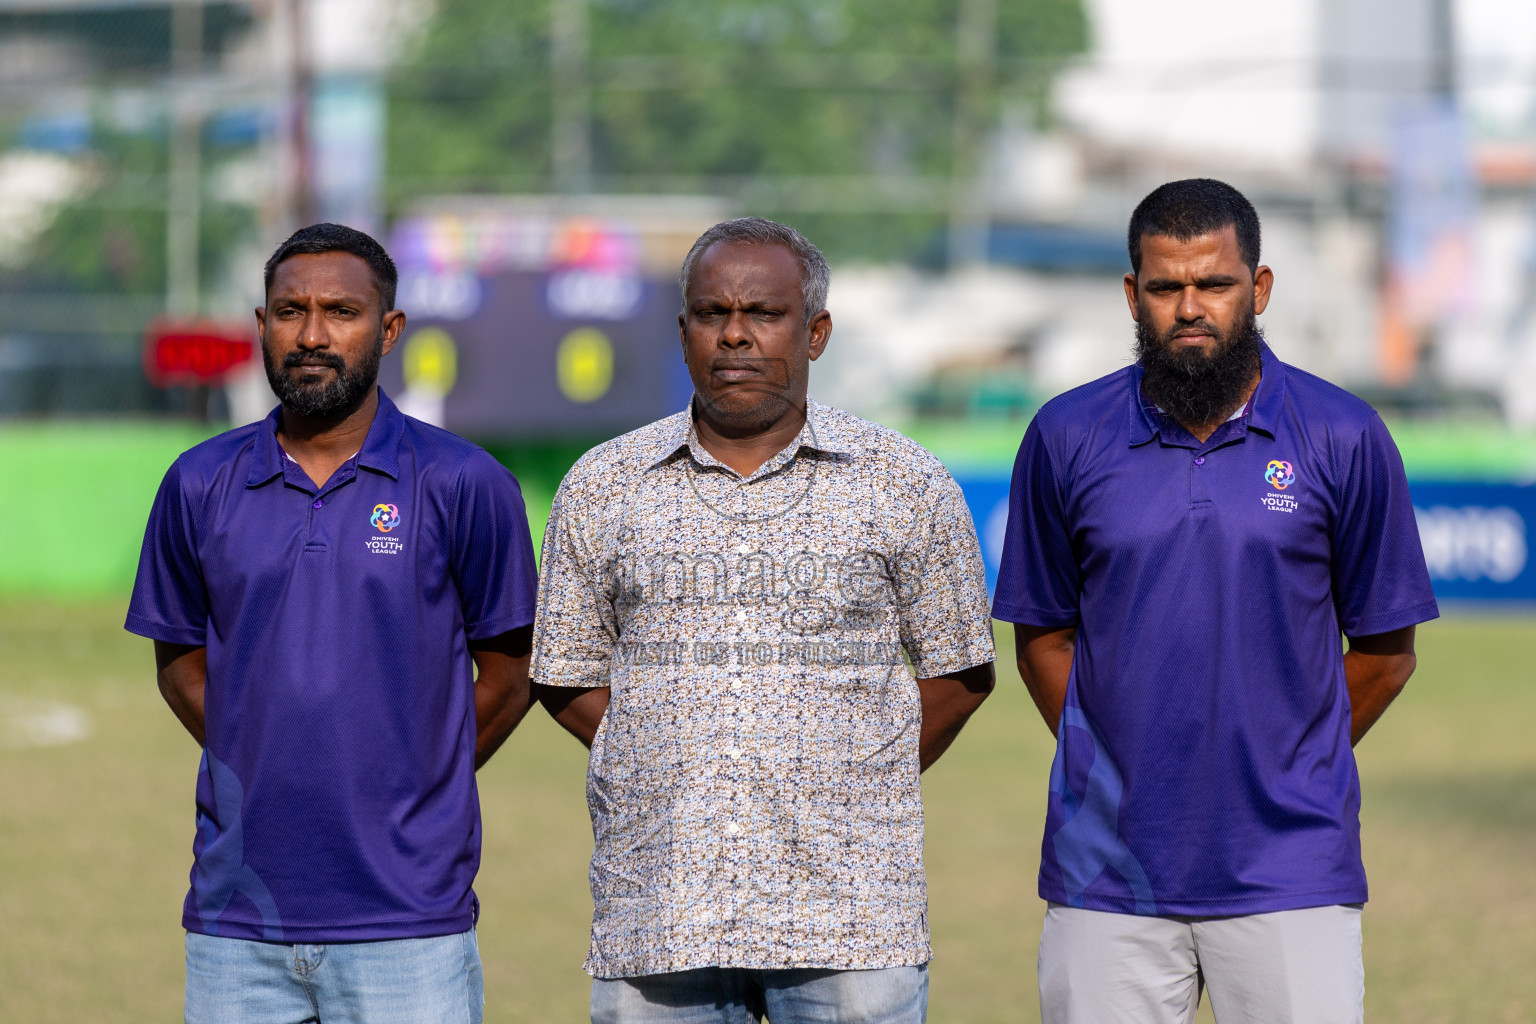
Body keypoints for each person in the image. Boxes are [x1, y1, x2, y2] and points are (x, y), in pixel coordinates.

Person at [992, 178, 1439, 1023]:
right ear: (1133, 295)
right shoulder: (1064, 434)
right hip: (1108, 872)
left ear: (1258, 289)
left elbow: (1386, 652)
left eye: (1215, 284)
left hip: (1291, 868)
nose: (1190, 307)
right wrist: (1121, 765)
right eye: (1166, 288)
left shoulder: (1345, 434)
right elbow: (1042, 638)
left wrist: (1285, 764)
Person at [530, 217, 997, 1024]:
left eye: (764, 314)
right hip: (662, 910)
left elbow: (959, 670)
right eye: (713, 314)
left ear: (815, 333)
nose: (736, 335)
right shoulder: (602, 486)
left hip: (851, 919)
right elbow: (565, 673)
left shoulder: (905, 483)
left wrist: (851, 774)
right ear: (684, 335)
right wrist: (672, 757)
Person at [125, 223, 538, 1024]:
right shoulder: (198, 482)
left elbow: (511, 673)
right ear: (261, 325)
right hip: (238, 918)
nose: (312, 335)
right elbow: (178, 662)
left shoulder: (466, 482)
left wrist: (418, 776)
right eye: (291, 311)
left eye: (341, 312)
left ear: (388, 331)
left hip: (408, 921)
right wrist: (261, 753)